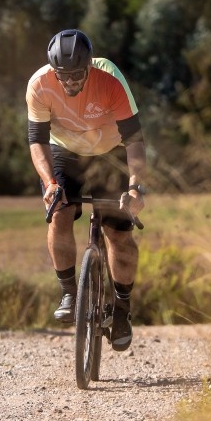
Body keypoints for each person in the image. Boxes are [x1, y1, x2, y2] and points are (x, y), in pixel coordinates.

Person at [25, 29, 147, 351]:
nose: (71, 82)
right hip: (66, 152)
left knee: (119, 235)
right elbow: (37, 140)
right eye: (64, 76)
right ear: (54, 70)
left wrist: (135, 188)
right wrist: (51, 184)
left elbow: (134, 141)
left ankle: (121, 309)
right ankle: (69, 291)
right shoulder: (39, 85)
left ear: (89, 66)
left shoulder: (110, 80)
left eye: (78, 74)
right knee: (59, 214)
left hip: (112, 153)